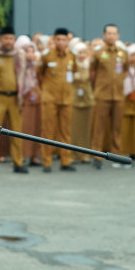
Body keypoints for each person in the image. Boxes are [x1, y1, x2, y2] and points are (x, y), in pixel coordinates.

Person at [0, 27, 27, 174]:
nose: (9, 41)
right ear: (0, 39)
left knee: (16, 132)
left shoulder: (19, 55)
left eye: (11, 38)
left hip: (14, 97)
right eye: (6, 38)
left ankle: (18, 163)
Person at [90, 24, 129, 169]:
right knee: (99, 127)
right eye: (109, 33)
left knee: (117, 127)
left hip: (118, 95)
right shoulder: (98, 53)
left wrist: (117, 82)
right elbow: (92, 73)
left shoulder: (123, 53)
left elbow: (125, 71)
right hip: (102, 94)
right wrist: (99, 87)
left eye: (114, 33)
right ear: (104, 35)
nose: (112, 36)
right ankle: (97, 156)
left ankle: (117, 154)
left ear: (118, 36)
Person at [38, 28, 77, 172]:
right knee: (47, 130)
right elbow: (39, 74)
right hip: (50, 98)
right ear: (54, 40)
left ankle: (65, 160)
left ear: (68, 41)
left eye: (63, 40)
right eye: (58, 39)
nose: (61, 42)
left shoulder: (72, 56)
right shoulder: (47, 56)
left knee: (65, 131)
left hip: (67, 98)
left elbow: (74, 73)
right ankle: (47, 161)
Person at [16, 35, 43, 166]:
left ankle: (34, 155)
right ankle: (24, 155)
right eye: (27, 51)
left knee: (37, 127)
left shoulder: (35, 66)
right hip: (25, 99)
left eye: (32, 51)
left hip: (36, 98)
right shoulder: (19, 66)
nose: (30, 54)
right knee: (25, 128)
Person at [70, 41, 94, 163]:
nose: (82, 55)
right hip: (74, 99)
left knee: (86, 128)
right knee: (74, 129)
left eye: (84, 52)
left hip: (87, 98)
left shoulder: (90, 65)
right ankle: (73, 155)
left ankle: (85, 154)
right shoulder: (72, 65)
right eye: (79, 52)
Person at [121, 44, 135, 160]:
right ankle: (123, 150)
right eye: (132, 55)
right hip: (125, 97)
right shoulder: (124, 68)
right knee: (125, 125)